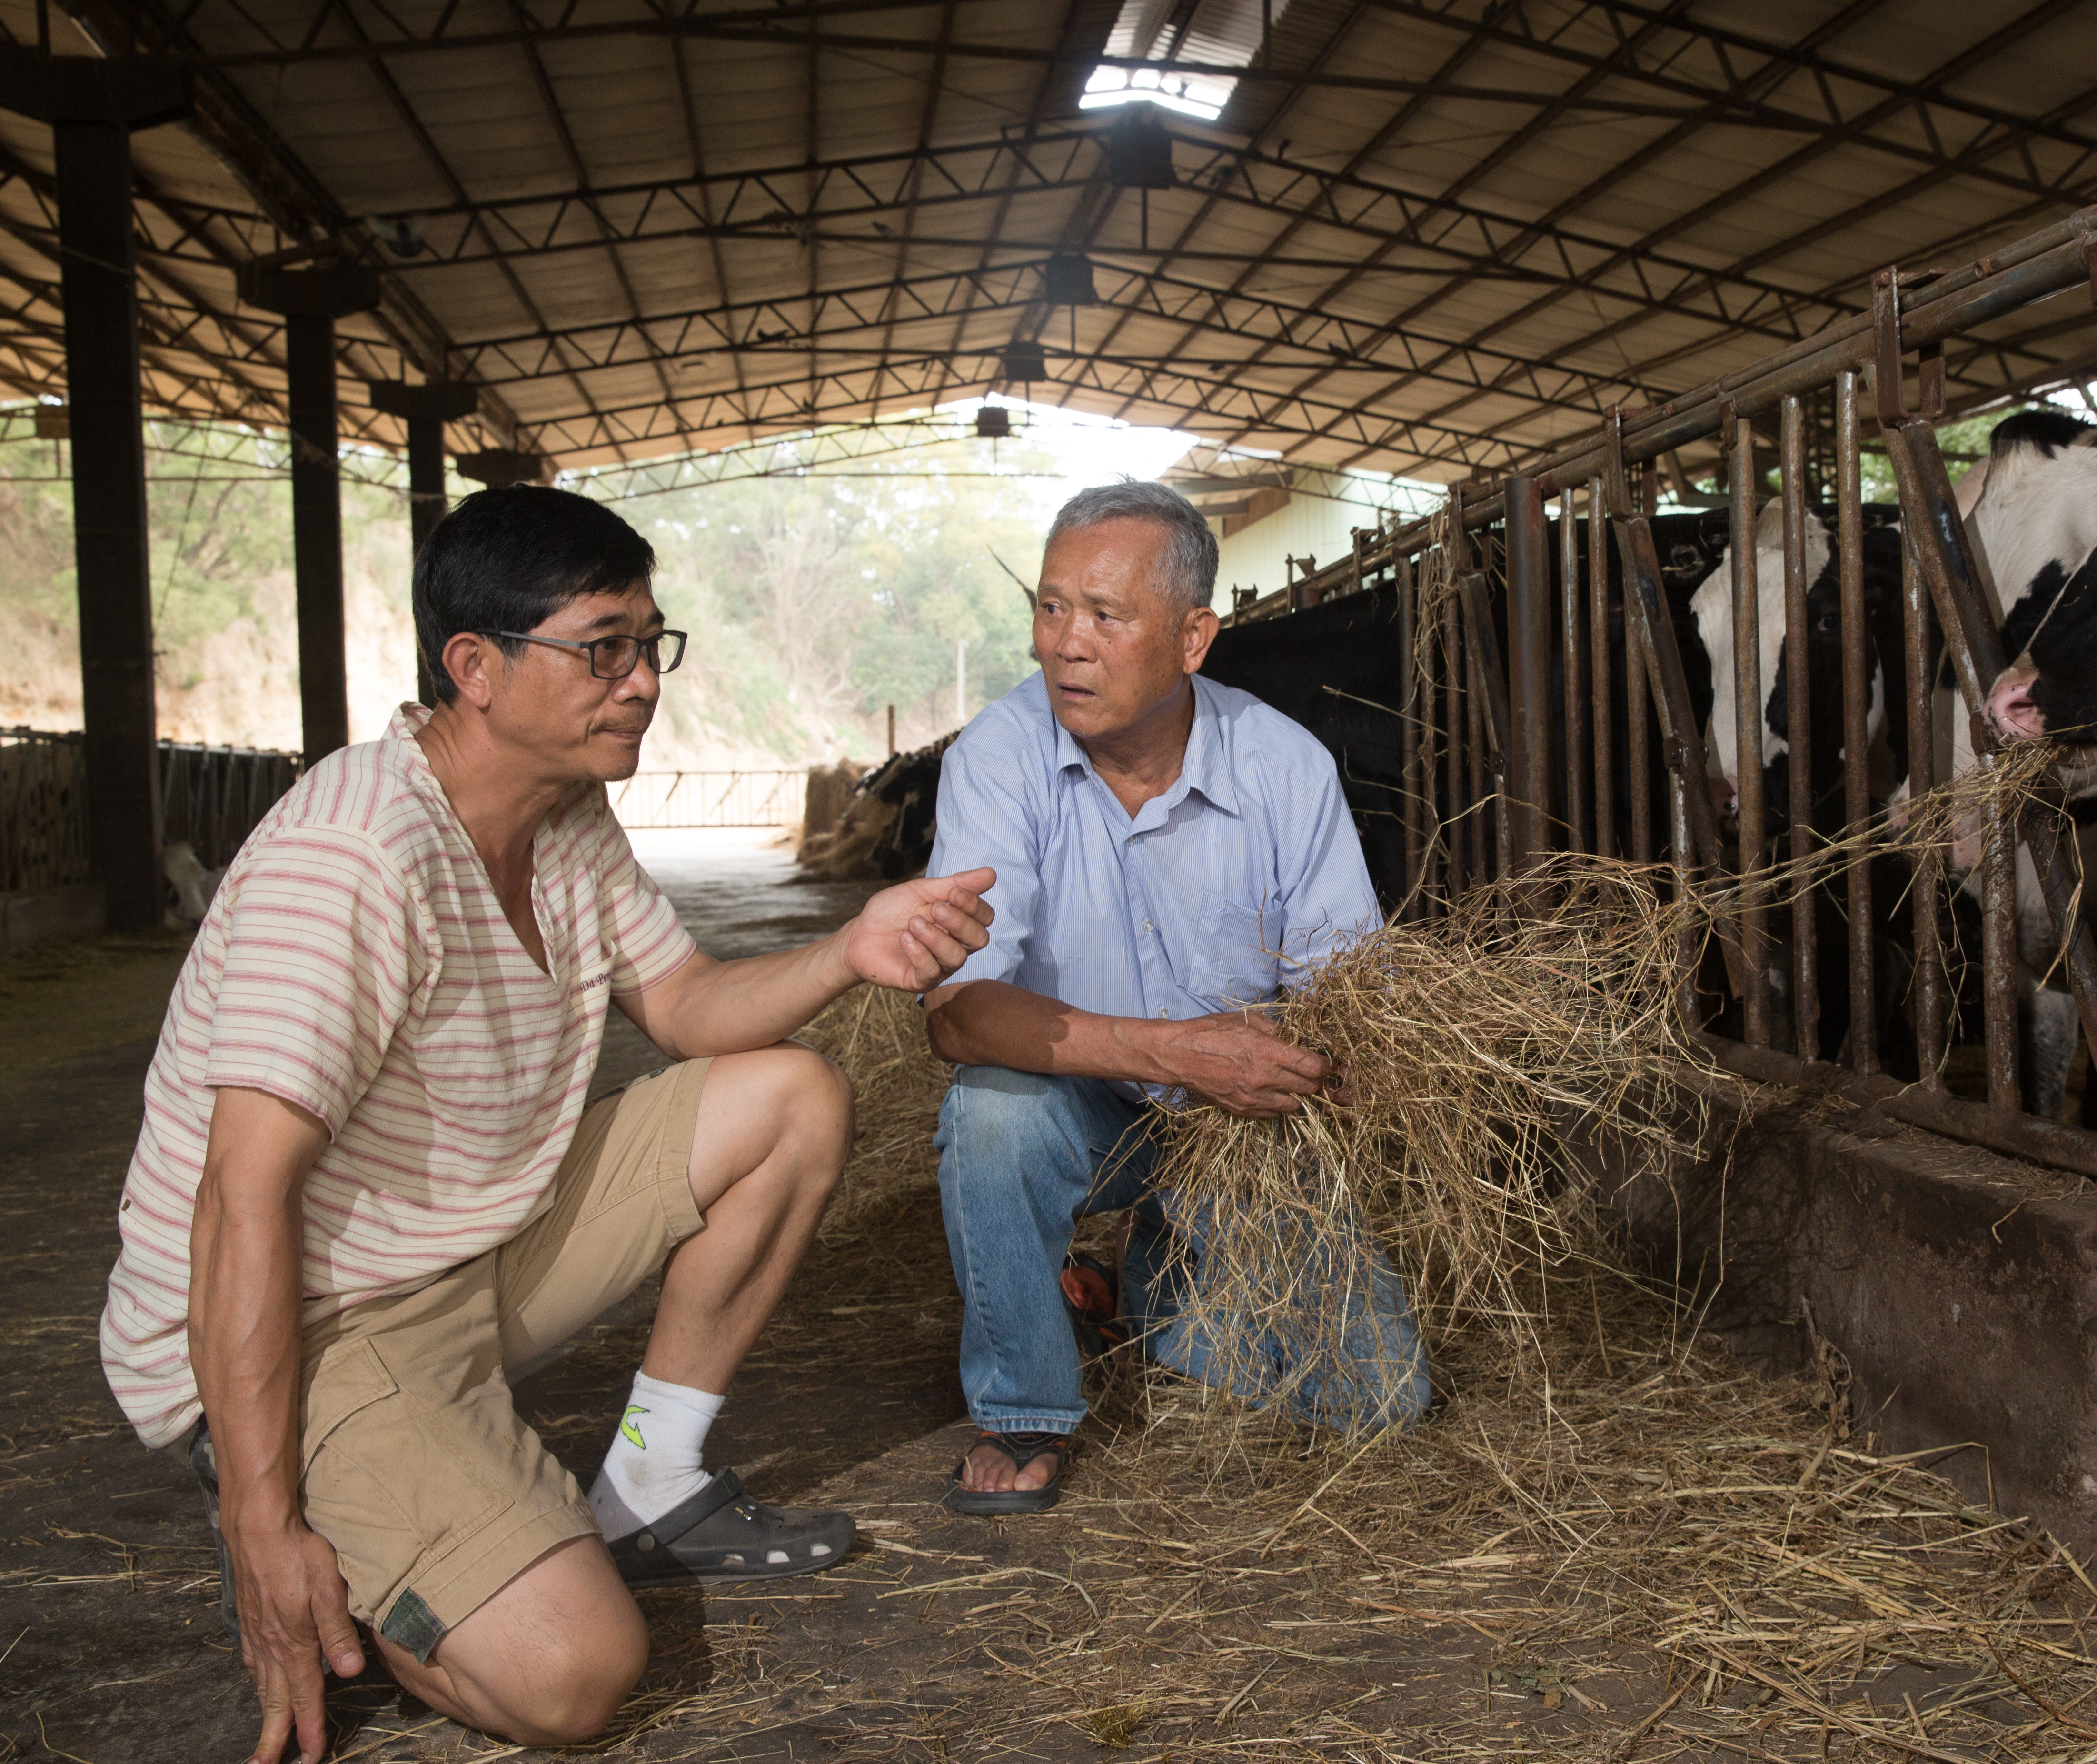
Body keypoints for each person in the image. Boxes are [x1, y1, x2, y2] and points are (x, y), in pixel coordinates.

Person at [98, 486, 998, 1764]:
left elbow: (688, 1006)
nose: (640, 683)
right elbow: (238, 1199)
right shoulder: (353, 857)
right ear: (474, 667)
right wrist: (262, 1521)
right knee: (574, 1673)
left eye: (650, 644)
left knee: (791, 1096)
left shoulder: (564, 814)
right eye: (601, 649)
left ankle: (650, 1486)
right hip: (311, 1320)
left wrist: (854, 945)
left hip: (476, 1242)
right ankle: (301, 1485)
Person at [922, 479, 1429, 1516]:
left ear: (1194, 637)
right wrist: (1172, 1051)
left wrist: (1283, 1075)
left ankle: (1152, 1286)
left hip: (1239, 1120)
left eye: (1107, 617)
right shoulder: (997, 760)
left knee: (1381, 1397)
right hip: (1082, 1101)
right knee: (990, 1116)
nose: (1065, 644)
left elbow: (1351, 1001)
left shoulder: (1283, 765)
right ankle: (1023, 1404)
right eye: (1052, 607)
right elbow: (959, 1015)